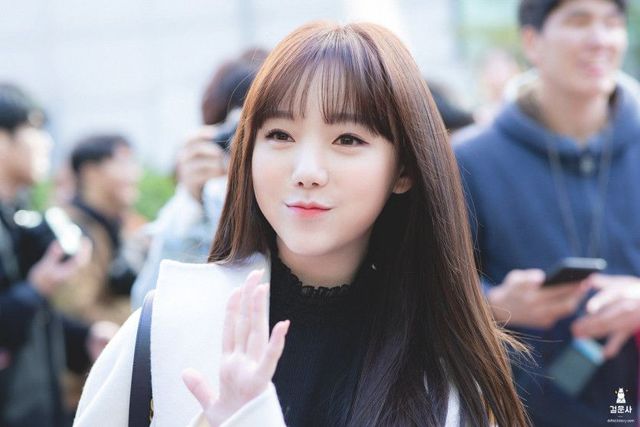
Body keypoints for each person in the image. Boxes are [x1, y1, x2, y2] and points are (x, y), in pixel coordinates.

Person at [74, 22, 530, 426]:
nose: (306, 170)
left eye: (347, 139)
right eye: (279, 135)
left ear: (404, 169)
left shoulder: (448, 369)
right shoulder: (170, 327)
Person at [454, 1, 639, 425]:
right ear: (532, 41)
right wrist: (492, 304)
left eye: (612, 23)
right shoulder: (468, 160)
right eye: (578, 21)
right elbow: (419, 285)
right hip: (520, 409)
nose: (600, 40)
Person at [0, 83, 110, 427]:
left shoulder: (16, 216)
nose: (47, 142)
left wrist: (84, 338)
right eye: (35, 128)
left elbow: (31, 323)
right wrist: (37, 288)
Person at [130, 49, 267, 309]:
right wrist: (193, 202)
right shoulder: (191, 211)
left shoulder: (298, 197)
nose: (241, 146)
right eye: (233, 133)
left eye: (275, 134)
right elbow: (147, 309)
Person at [53, 134, 142, 325]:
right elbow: (77, 314)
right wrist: (142, 316)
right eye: (123, 162)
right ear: (90, 172)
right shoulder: (70, 230)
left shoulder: (117, 225)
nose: (135, 173)